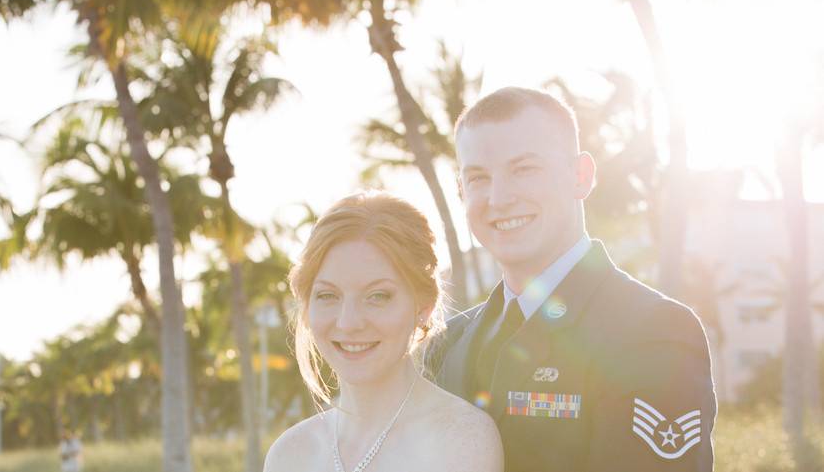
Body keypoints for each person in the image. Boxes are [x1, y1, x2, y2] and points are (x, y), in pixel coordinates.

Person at [426, 86, 717, 471]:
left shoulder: (653, 330)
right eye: (478, 178)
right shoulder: (450, 341)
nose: (498, 198)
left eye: (523, 169)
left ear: (581, 176)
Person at [264, 191, 503, 472]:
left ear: (424, 306)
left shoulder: (462, 440)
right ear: (306, 307)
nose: (348, 323)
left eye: (377, 296)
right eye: (328, 295)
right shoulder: (289, 455)